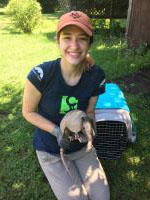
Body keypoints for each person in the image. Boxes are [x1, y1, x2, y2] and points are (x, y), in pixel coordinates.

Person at [22, 10, 110, 200]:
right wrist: (57, 132)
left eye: (82, 39)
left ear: (89, 43)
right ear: (58, 40)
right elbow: (28, 112)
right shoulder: (40, 75)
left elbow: (90, 111)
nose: (74, 46)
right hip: (51, 150)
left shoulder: (97, 76)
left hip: (82, 148)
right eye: (67, 37)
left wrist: (88, 127)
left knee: (102, 198)